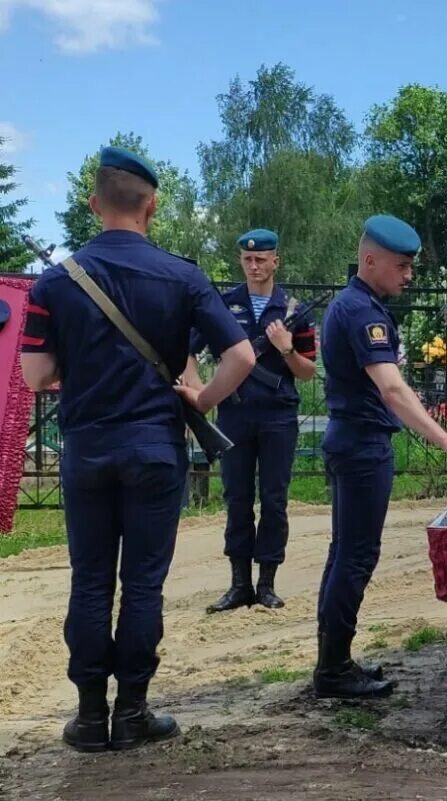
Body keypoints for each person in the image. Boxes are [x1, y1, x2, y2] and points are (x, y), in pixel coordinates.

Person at [20, 146, 254, 752]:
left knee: (91, 581)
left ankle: (90, 719)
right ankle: (134, 713)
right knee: (143, 584)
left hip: (88, 449)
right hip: (154, 449)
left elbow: (35, 375)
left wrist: (86, 373)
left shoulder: (55, 282)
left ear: (95, 204)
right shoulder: (183, 276)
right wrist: (200, 403)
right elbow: (242, 356)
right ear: (151, 206)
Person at [315, 214, 447, 699]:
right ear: (370, 260)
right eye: (401, 265)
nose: (409, 275)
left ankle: (334, 660)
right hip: (362, 447)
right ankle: (332, 671)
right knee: (355, 557)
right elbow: (392, 389)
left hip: (352, 441)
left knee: (343, 554)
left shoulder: (355, 304)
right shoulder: (362, 312)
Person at [183, 229, 318, 613]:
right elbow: (189, 350)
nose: (254, 266)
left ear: (276, 261)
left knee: (274, 500)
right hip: (235, 414)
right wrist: (199, 392)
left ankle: (267, 583)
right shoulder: (224, 307)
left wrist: (286, 349)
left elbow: (307, 371)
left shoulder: (294, 311)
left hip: (278, 415)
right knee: (237, 497)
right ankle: (239, 583)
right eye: (247, 259)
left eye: (262, 259)